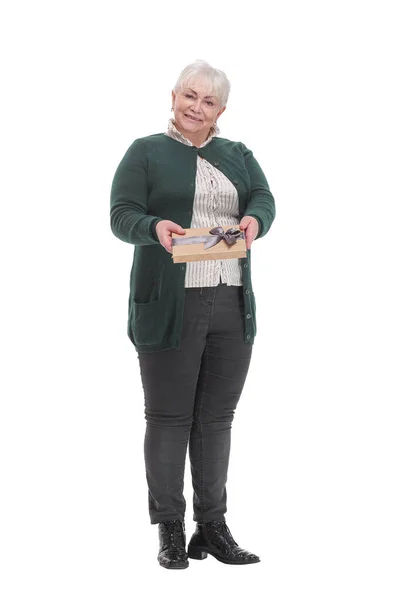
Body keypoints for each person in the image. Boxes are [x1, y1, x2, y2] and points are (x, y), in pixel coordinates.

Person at [110, 60, 276, 569]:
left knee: (217, 420)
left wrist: (254, 219)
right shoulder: (146, 152)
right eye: (190, 95)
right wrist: (155, 227)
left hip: (230, 298)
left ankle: (213, 527)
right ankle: (171, 528)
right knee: (168, 418)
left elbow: (263, 199)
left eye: (208, 101)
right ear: (174, 95)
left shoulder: (237, 153)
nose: (196, 107)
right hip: (170, 304)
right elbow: (121, 214)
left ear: (220, 110)